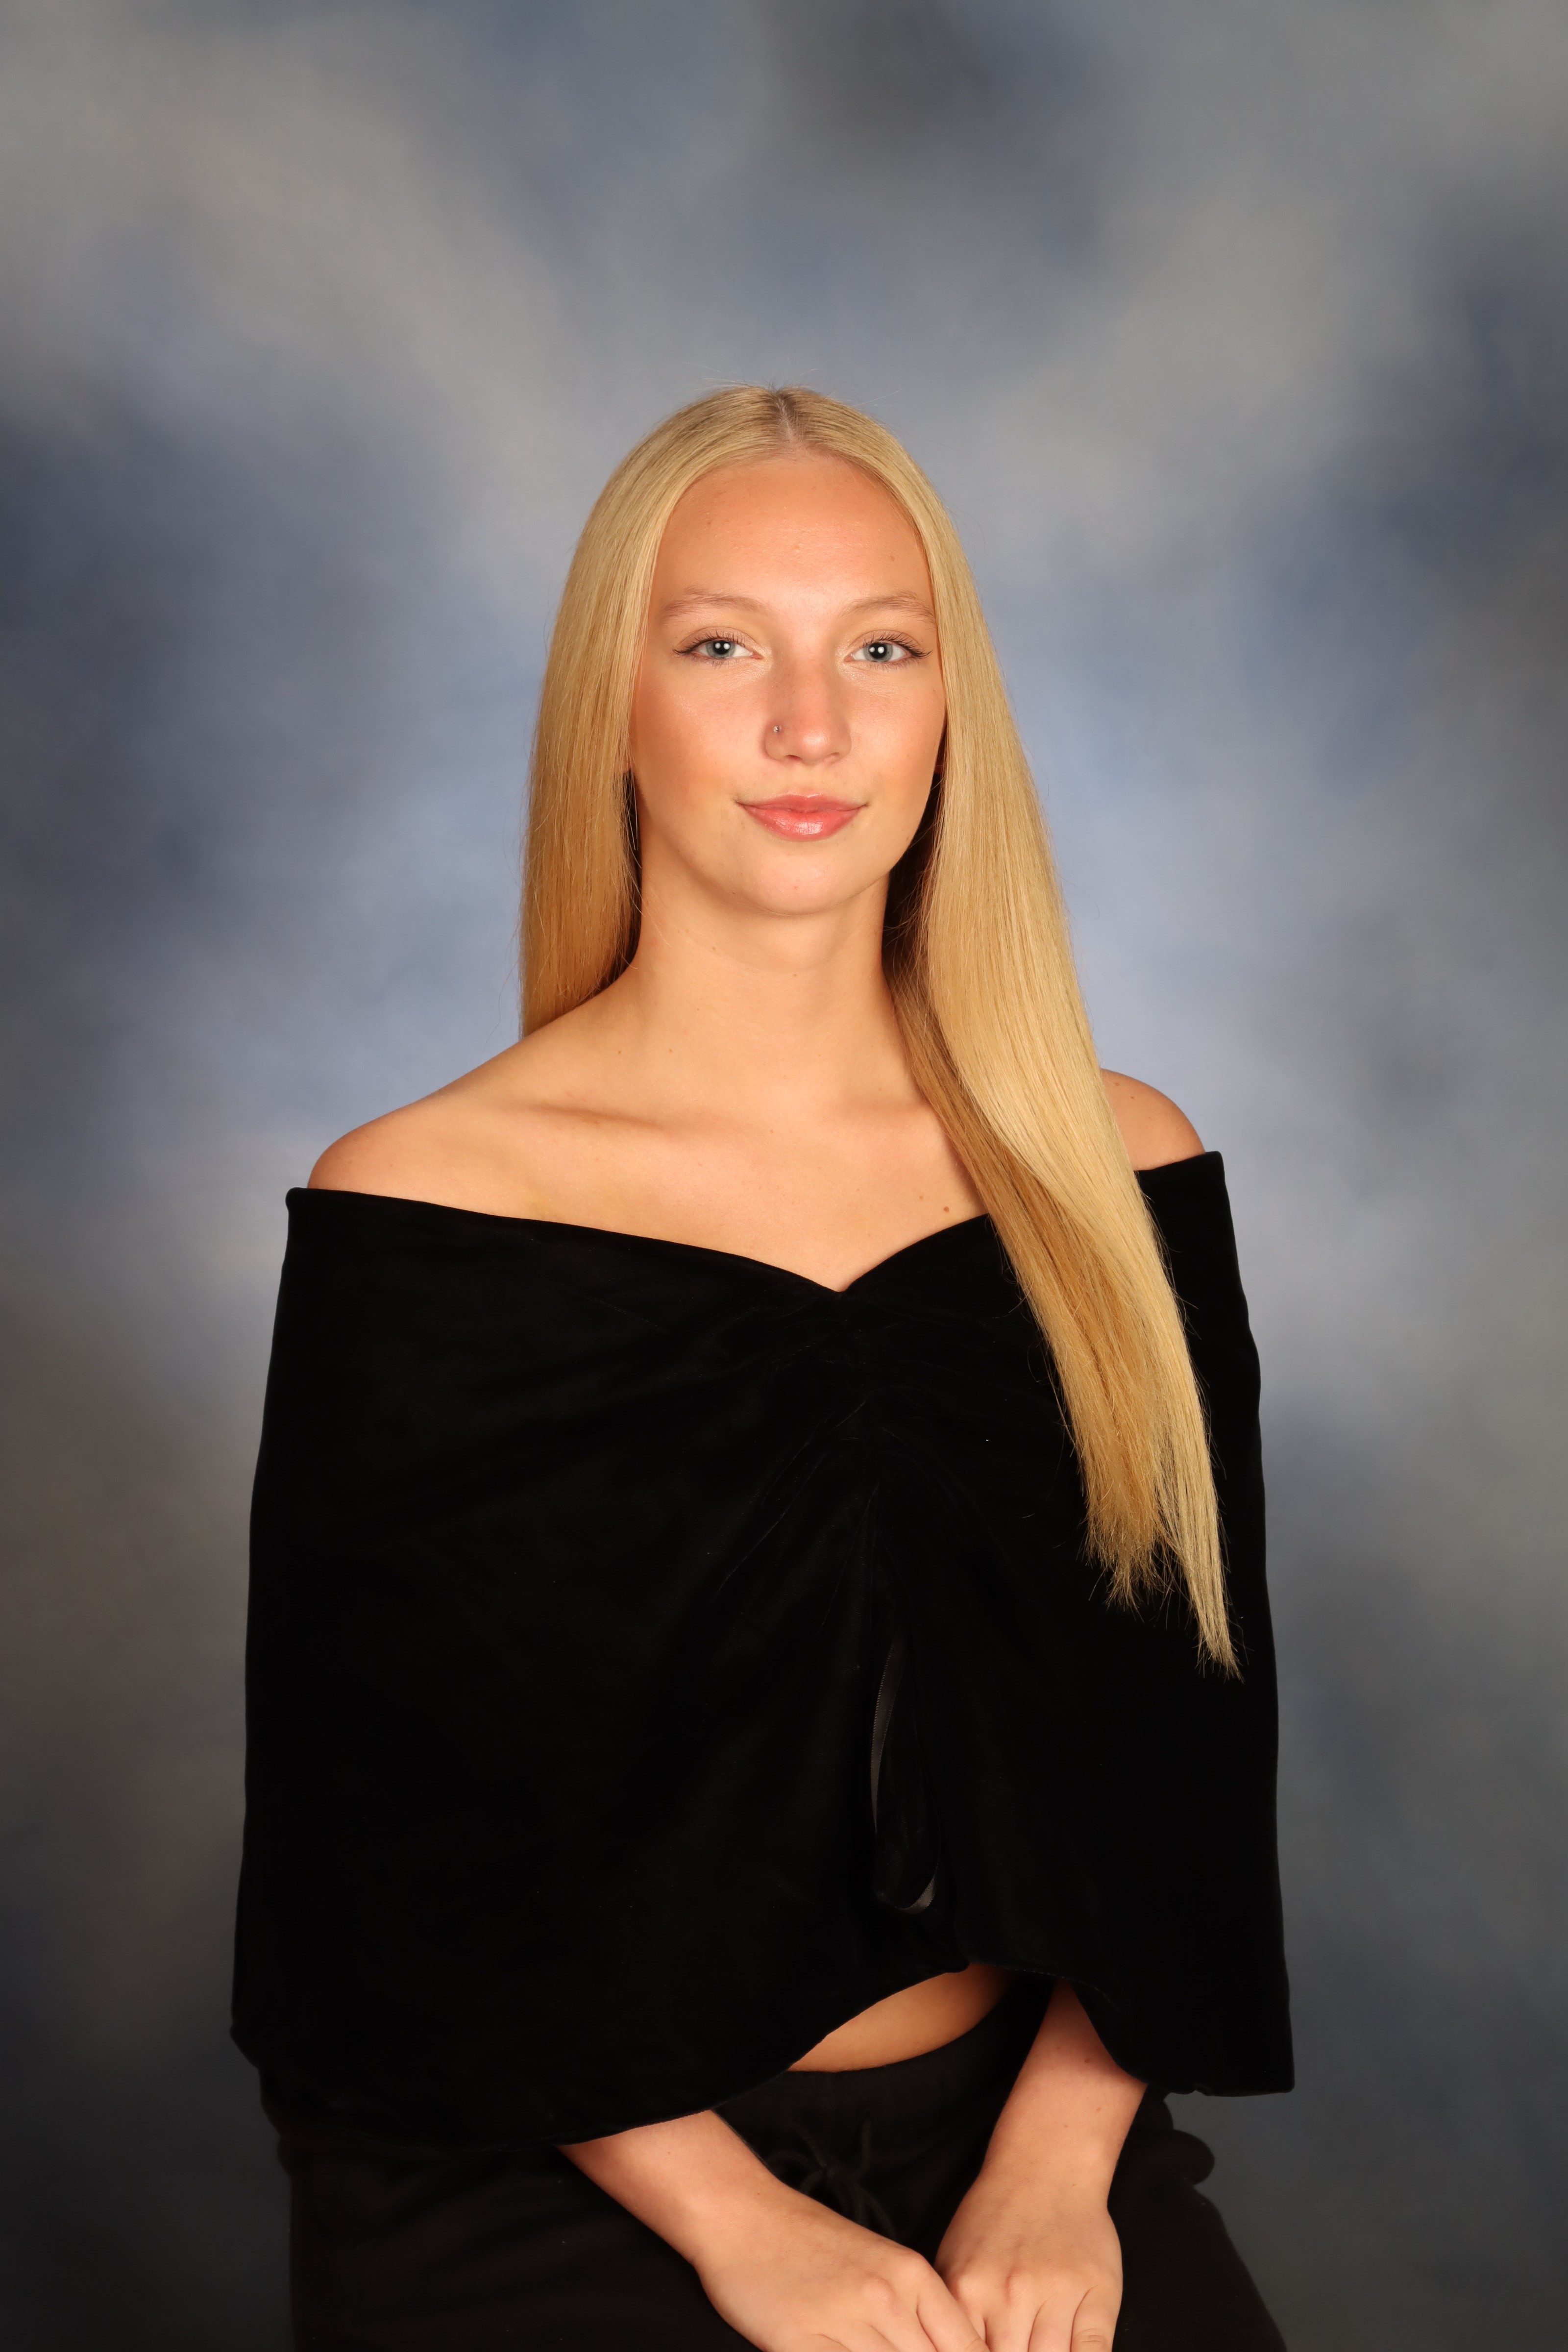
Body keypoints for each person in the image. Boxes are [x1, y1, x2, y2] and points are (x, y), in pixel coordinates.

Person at [233, 386, 1292, 2351]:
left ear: (949, 712)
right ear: (615, 709)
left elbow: (1181, 1756)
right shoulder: (429, 1202)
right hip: (550, 2153)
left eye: (880, 650)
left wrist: (1053, 2173)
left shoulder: (1115, 1168)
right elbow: (389, 1842)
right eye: (724, 648)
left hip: (1028, 2135)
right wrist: (746, 2233)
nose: (813, 726)